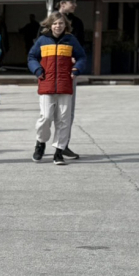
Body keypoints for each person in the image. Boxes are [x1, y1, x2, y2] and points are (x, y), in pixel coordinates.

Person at [29, 11, 87, 166]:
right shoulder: (42, 40)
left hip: (65, 84)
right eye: (55, 23)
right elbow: (32, 57)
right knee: (46, 117)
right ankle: (40, 143)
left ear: (65, 25)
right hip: (46, 83)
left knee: (63, 120)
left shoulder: (71, 40)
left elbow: (81, 57)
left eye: (61, 23)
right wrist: (37, 70)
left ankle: (58, 152)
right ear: (50, 25)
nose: (58, 26)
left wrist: (76, 69)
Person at [54, 0, 84, 160]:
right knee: (49, 111)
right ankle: (41, 144)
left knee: (68, 110)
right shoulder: (50, 20)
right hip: (51, 72)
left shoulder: (77, 23)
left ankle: (63, 145)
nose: (75, 4)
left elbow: (81, 48)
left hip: (69, 71)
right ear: (62, 3)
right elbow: (38, 45)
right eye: (71, 1)